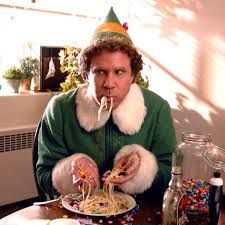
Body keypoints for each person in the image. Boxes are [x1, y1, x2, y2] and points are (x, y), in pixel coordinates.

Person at [36, 7, 176, 199]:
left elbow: (170, 173)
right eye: (100, 72)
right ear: (86, 75)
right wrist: (70, 170)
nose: (109, 84)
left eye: (120, 72)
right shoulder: (59, 109)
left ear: (133, 75)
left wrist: (144, 167)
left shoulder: (158, 109)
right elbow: (44, 174)